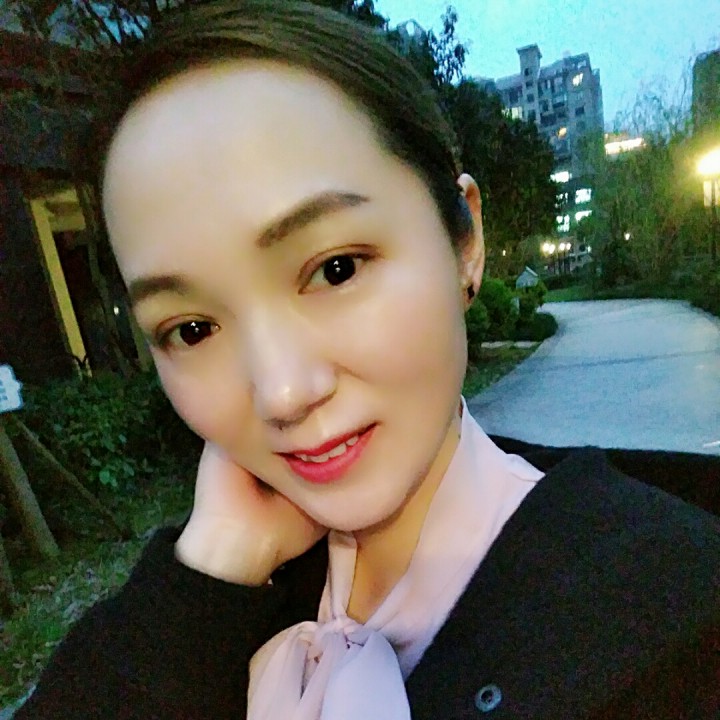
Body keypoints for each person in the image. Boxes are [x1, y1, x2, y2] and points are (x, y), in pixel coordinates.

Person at [15, 2, 720, 718]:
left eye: (337, 269)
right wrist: (206, 578)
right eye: (192, 329)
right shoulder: (199, 622)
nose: (283, 393)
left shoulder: (677, 626)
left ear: (465, 240)